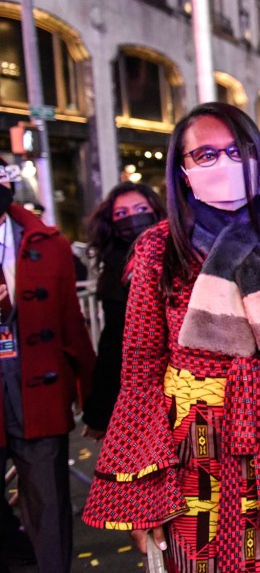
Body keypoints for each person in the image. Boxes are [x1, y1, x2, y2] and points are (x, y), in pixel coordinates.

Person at [82, 102, 260, 571]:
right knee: (199, 558)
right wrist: (142, 490)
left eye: (237, 151)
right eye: (207, 155)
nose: (225, 165)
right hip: (190, 449)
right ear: (183, 170)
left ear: (257, 157)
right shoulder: (160, 246)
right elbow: (140, 368)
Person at [0, 160, 95, 573]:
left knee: (48, 504)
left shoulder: (47, 242)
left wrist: (92, 399)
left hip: (35, 389)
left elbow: (72, 327)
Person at [81, 182, 165, 439]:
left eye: (140, 208)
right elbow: (113, 342)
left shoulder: (180, 253)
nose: (132, 218)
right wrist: (99, 411)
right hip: (132, 389)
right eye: (121, 214)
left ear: (155, 210)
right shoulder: (114, 266)